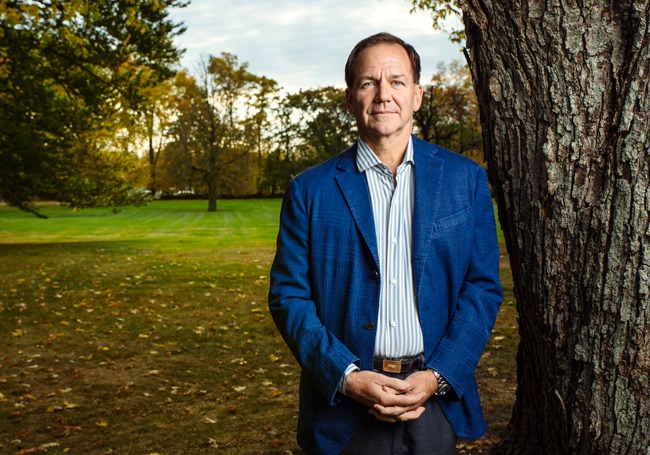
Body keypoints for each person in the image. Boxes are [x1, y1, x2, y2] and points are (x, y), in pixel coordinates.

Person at [268, 32, 503, 454]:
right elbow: (289, 297)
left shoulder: (465, 180)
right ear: (350, 98)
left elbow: (482, 288)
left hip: (435, 401)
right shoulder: (309, 191)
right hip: (345, 408)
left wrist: (438, 375)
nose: (383, 95)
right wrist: (346, 377)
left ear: (417, 95)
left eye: (397, 81)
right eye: (368, 82)